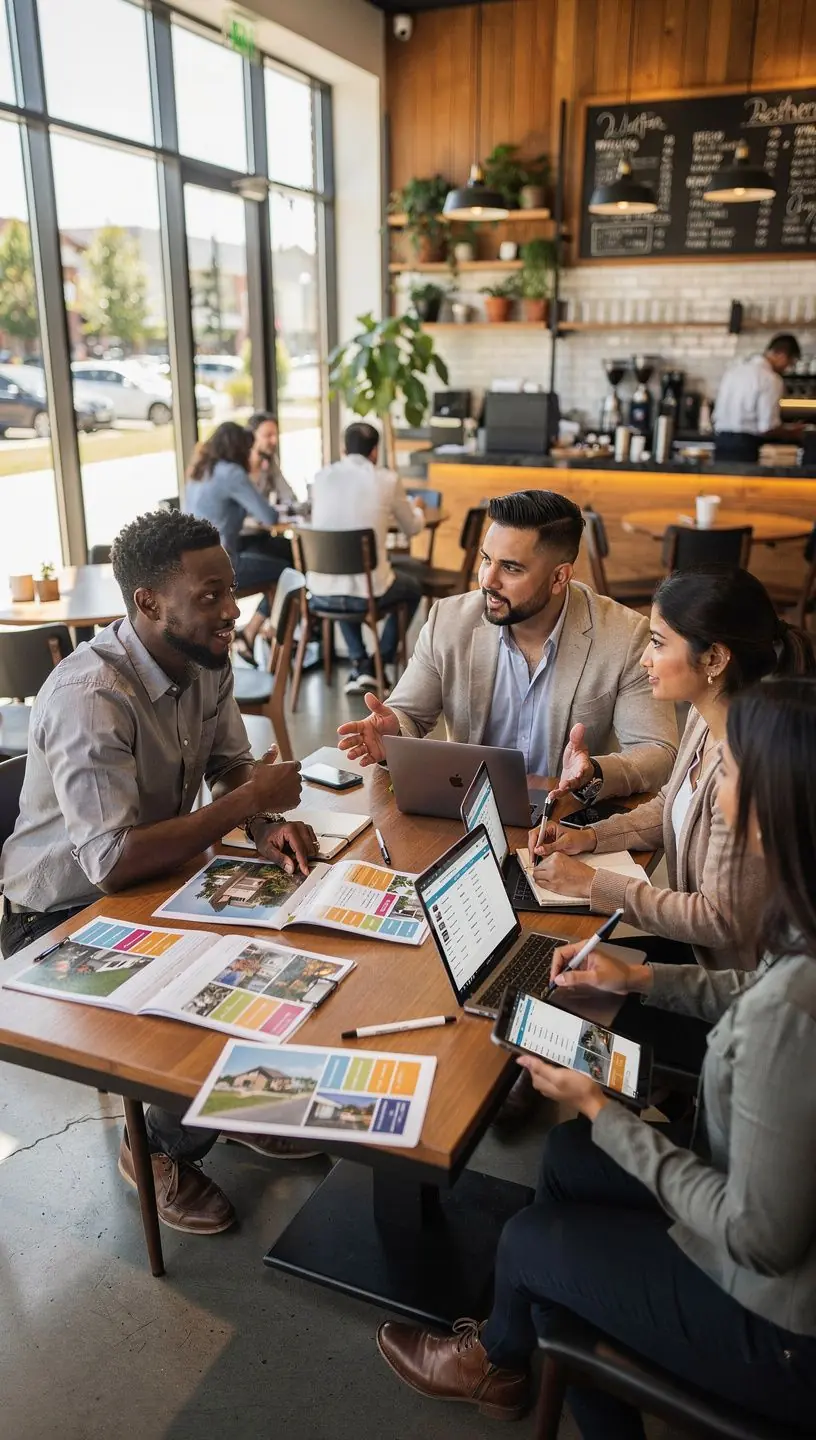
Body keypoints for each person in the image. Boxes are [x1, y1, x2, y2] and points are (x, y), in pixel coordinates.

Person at [377, 677, 816, 1436]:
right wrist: (639, 975)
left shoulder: (791, 1018)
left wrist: (592, 1103)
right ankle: (512, 1360)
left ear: (776, 805)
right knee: (569, 1160)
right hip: (760, 1202)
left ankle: (505, 1362)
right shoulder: (802, 930)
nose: (721, 785)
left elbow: (757, 1239)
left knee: (533, 1240)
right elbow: (756, 985)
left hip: (781, 1329)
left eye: (735, 772)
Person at [0, 509, 319, 1235]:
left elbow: (229, 764)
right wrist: (246, 802)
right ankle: (159, 1147)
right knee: (197, 990)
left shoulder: (204, 658)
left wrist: (266, 827)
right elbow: (110, 863)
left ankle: (228, 1104)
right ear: (148, 603)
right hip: (61, 918)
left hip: (157, 878)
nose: (232, 610)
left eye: (230, 590)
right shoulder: (91, 695)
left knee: (292, 937)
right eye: (210, 596)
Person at [528, 567, 815, 971]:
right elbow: (672, 804)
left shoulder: (748, 769)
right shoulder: (704, 718)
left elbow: (719, 921)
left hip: (728, 983)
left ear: (714, 658)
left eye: (659, 643)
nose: (645, 657)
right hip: (698, 958)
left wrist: (591, 884)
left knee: (558, 981)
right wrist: (589, 837)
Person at [338, 490, 678, 801]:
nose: (488, 580)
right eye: (487, 559)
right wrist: (392, 732)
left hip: (565, 820)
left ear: (560, 577)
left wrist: (595, 773)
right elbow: (409, 714)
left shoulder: (625, 635)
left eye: (511, 568)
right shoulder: (449, 619)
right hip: (467, 811)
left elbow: (658, 750)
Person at [307, 421, 425, 694]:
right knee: (412, 589)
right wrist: (417, 509)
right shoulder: (386, 479)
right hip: (368, 591)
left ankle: (360, 665)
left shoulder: (322, 477)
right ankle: (376, 663)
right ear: (375, 452)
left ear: (343, 449)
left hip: (320, 591)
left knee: (344, 580)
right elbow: (413, 528)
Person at [184, 420, 283, 667]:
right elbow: (269, 516)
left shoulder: (201, 469)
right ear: (239, 449)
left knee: (270, 557)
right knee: (286, 572)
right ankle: (252, 631)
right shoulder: (232, 473)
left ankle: (248, 635)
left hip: (191, 566)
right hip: (221, 565)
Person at [714, 333, 802, 463]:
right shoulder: (770, 379)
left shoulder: (734, 371)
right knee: (745, 483)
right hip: (744, 447)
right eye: (790, 363)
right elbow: (766, 427)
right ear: (782, 356)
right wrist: (792, 432)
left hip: (720, 442)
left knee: (721, 482)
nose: (788, 369)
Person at [246, 410, 301, 511]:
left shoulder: (270, 462)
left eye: (276, 435)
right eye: (268, 435)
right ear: (251, 437)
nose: (274, 440)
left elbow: (288, 495)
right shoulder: (237, 466)